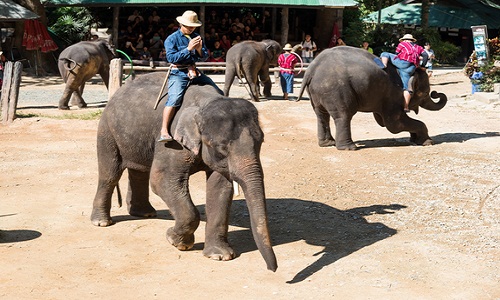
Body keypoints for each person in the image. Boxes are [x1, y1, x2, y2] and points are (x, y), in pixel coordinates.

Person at [158, 10, 222, 143]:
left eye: (193, 26)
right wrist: (187, 49)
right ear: (181, 24)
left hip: (194, 71)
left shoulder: (196, 36)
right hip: (178, 72)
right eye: (189, 26)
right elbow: (171, 58)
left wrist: (198, 49)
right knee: (174, 99)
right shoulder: (172, 39)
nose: (191, 28)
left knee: (218, 91)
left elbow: (204, 57)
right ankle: (164, 130)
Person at [380, 33, 424, 112]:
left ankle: (384, 66)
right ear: (412, 40)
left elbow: (397, 54)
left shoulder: (402, 44)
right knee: (407, 88)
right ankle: (406, 106)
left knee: (385, 54)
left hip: (403, 63)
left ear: (405, 40)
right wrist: (423, 65)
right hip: (411, 67)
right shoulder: (418, 47)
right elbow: (425, 55)